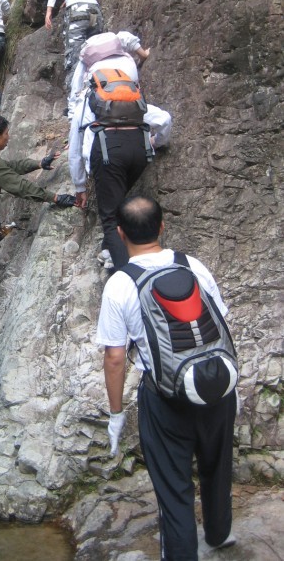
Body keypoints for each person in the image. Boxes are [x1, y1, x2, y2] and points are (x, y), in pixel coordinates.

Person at [96, 196, 237, 560]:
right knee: (217, 465)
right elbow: (221, 324)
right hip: (216, 388)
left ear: (121, 233)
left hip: (165, 398)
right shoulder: (192, 265)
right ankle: (219, 534)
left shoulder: (121, 283)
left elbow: (115, 357)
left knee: (174, 488)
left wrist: (116, 414)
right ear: (161, 226)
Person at [0, 113, 76, 364]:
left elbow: (11, 168)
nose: (9, 137)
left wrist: (39, 163)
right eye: (7, 133)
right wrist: (54, 198)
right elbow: (19, 186)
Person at [68, 76, 172, 270]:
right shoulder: (131, 101)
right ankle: (109, 250)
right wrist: (157, 142)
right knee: (116, 200)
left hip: (108, 152)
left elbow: (75, 146)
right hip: (139, 151)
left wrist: (80, 185)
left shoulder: (89, 102)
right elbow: (165, 119)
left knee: (110, 218)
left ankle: (128, 273)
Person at [67, 30, 150, 120]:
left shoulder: (87, 56)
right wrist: (144, 55)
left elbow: (76, 84)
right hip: (131, 101)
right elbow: (130, 40)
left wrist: (72, 114)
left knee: (80, 114)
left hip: (103, 104)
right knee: (160, 117)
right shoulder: (120, 39)